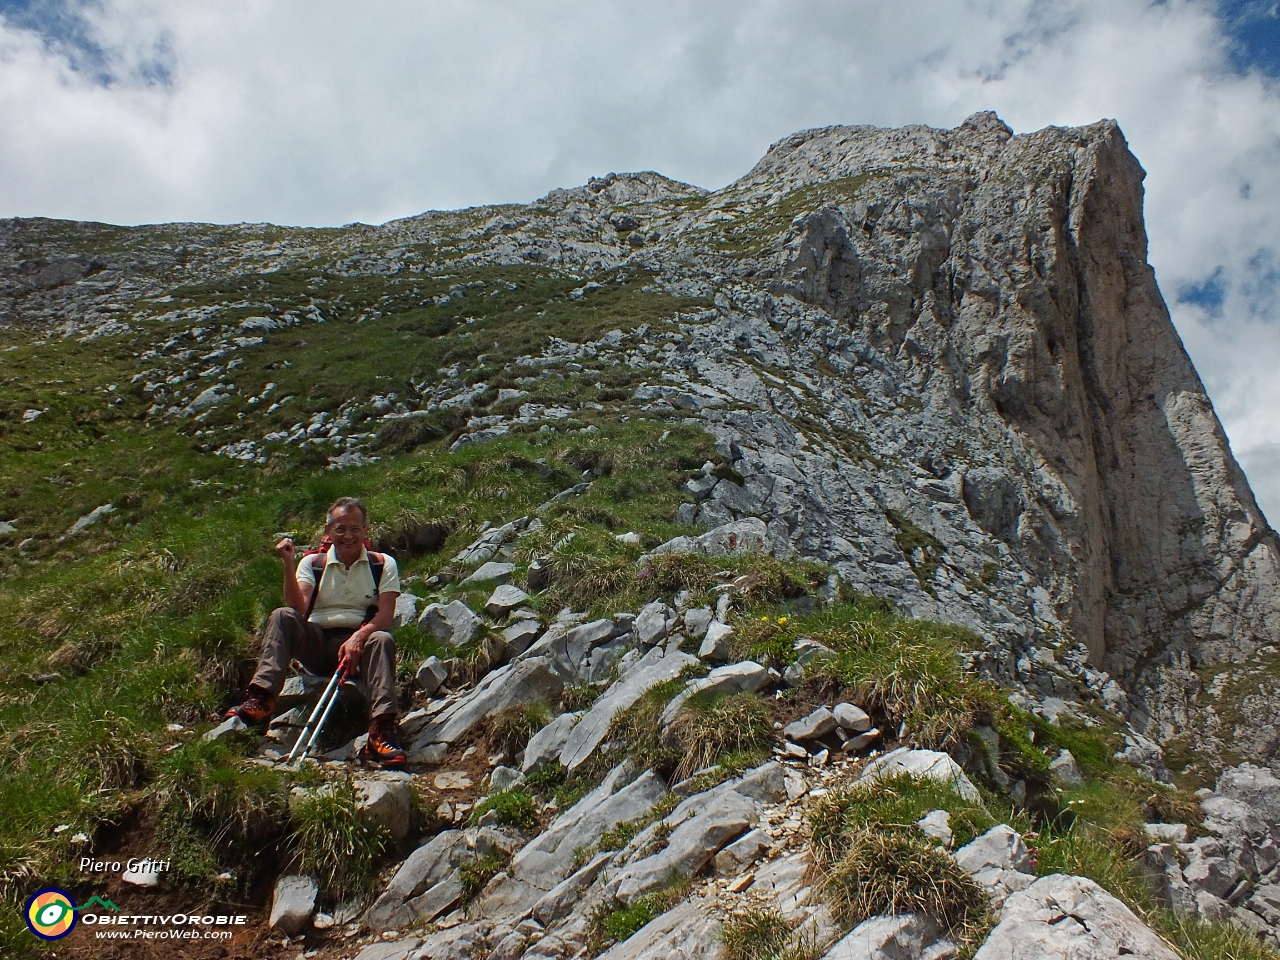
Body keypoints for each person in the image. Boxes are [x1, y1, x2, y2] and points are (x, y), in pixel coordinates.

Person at [227, 496, 407, 768]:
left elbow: (385, 614)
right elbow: (298, 609)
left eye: (355, 529)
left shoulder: (382, 564)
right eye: (341, 529)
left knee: (381, 638)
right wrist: (288, 564)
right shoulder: (313, 563)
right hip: (318, 642)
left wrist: (358, 637)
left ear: (365, 531)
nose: (348, 536)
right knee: (281, 616)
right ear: (328, 531)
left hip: (360, 648)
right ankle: (261, 698)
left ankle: (381, 729)